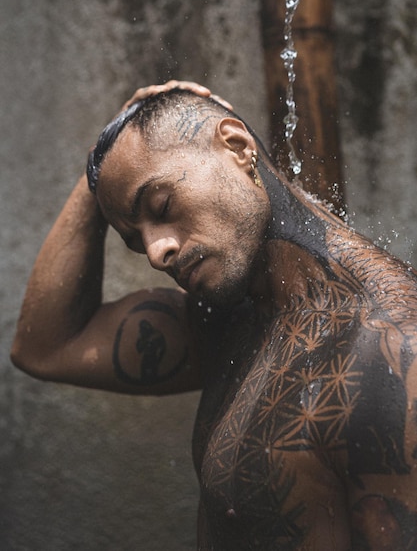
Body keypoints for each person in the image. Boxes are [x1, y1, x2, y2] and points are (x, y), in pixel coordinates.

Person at [12, 80, 417, 550]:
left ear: (237, 146)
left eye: (161, 205)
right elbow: (44, 346)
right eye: (134, 238)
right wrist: (104, 162)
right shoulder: (233, 321)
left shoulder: (393, 360)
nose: (155, 251)